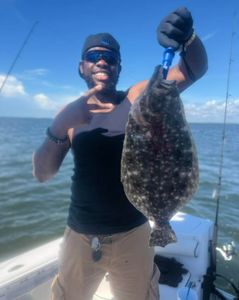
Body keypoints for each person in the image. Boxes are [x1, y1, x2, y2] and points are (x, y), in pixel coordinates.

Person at [32, 7, 208, 300]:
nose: (102, 60)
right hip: (81, 235)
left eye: (110, 57)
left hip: (134, 233)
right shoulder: (68, 114)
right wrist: (61, 124)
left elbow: (194, 69)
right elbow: (43, 173)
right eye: (94, 56)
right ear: (82, 67)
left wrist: (187, 37)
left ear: (117, 67)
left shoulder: (138, 97)